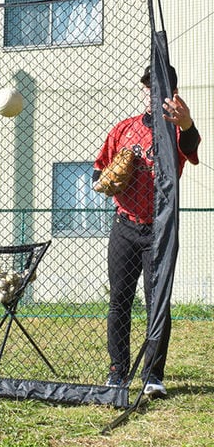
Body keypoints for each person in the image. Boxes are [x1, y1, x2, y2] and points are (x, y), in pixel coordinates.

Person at [92, 65, 201, 397]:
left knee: (158, 304)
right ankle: (117, 371)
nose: (151, 93)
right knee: (119, 300)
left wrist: (187, 123)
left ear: (172, 94)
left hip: (159, 231)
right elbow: (98, 169)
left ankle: (153, 375)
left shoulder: (176, 131)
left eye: (159, 88)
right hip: (124, 226)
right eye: (147, 87)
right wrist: (102, 181)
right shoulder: (124, 129)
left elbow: (191, 147)